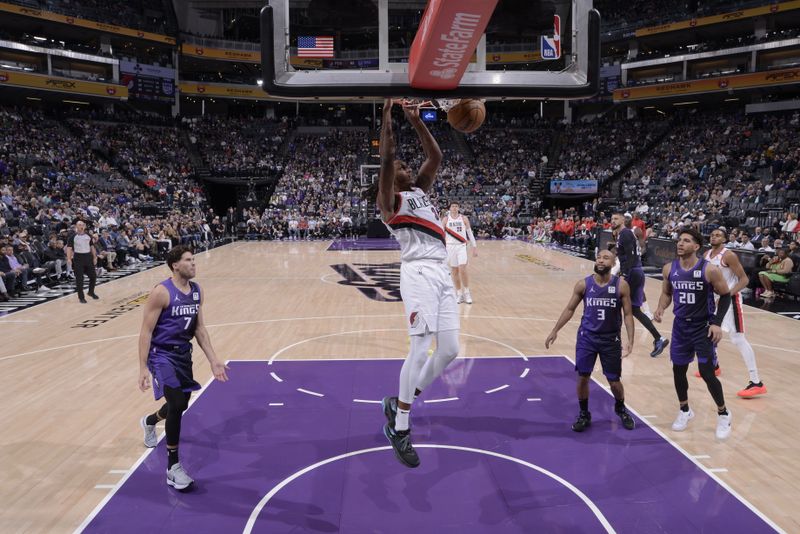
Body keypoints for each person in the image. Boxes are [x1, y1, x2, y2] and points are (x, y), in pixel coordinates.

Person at [377, 98, 459, 469]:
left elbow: (436, 155)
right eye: (401, 166)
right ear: (391, 177)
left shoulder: (419, 191)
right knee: (421, 347)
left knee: (450, 351)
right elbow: (387, 156)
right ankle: (401, 427)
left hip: (441, 272)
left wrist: (416, 120)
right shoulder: (390, 201)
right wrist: (388, 118)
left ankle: (400, 400)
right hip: (418, 274)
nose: (407, 167)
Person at [137, 245, 230, 490]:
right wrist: (142, 367)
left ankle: (149, 420)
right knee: (177, 403)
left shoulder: (197, 291)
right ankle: (173, 467)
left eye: (194, 260)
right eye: (188, 260)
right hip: (161, 355)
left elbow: (199, 329)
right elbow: (146, 331)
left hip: (183, 355)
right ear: (175, 265)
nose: (193, 263)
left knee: (181, 403)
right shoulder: (161, 292)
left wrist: (213, 359)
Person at [654, 228, 733, 440]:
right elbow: (666, 293)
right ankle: (684, 410)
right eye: (679, 240)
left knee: (707, 373)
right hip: (680, 327)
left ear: (696, 247)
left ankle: (724, 413)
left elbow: (726, 296)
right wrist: (661, 307)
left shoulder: (709, 270)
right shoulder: (669, 269)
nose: (680, 243)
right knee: (678, 370)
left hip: (703, 327)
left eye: (686, 240)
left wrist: (716, 323)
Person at [545, 249, 636, 432]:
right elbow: (569, 309)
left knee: (614, 381)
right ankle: (584, 413)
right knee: (583, 377)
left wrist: (630, 340)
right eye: (599, 257)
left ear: (613, 263)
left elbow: (628, 314)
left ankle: (620, 406)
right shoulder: (583, 284)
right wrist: (555, 330)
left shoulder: (621, 285)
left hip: (611, 339)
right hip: (587, 337)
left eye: (606, 258)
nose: (601, 260)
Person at [703, 229, 766, 397]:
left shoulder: (728, 255)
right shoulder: (706, 254)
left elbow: (744, 279)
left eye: (717, 235)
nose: (713, 236)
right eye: (712, 234)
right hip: (713, 299)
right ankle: (714, 367)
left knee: (738, 338)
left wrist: (727, 294)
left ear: (724, 239)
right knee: (709, 333)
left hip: (730, 300)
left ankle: (756, 382)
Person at [610, 212, 669, 357]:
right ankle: (658, 338)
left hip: (632, 273)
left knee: (615, 303)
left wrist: (624, 275)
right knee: (635, 310)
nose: (613, 221)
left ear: (624, 220)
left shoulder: (625, 233)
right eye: (611, 219)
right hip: (635, 272)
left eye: (616, 218)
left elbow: (630, 256)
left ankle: (613, 341)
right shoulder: (622, 235)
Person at [442, 201, 478, 304]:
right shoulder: (445, 219)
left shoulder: (464, 218)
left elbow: (470, 233)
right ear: (449, 208)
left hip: (462, 246)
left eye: (456, 206)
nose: (454, 208)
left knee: (462, 268)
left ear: (459, 208)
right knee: (454, 271)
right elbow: (441, 235)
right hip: (450, 247)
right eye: (452, 206)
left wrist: (474, 247)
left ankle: (467, 292)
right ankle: (459, 293)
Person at [65, 220, 98, 303]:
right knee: (80, 279)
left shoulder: (88, 236)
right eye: (79, 225)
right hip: (78, 258)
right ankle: (81, 297)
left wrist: (94, 257)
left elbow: (92, 247)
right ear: (76, 226)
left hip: (88, 257)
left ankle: (91, 292)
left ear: (85, 226)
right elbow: (69, 248)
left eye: (83, 225)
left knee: (93, 276)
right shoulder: (72, 237)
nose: (81, 226)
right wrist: (69, 258)